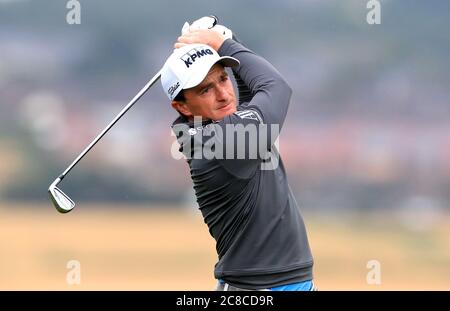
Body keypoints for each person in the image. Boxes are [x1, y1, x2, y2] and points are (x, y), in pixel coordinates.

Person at [160, 17, 315, 291]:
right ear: (182, 107)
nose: (223, 94)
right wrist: (224, 43)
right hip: (257, 289)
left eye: (223, 78)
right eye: (206, 89)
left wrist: (227, 40)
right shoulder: (222, 143)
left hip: (283, 282)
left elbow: (248, 94)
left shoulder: (212, 127)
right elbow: (274, 88)